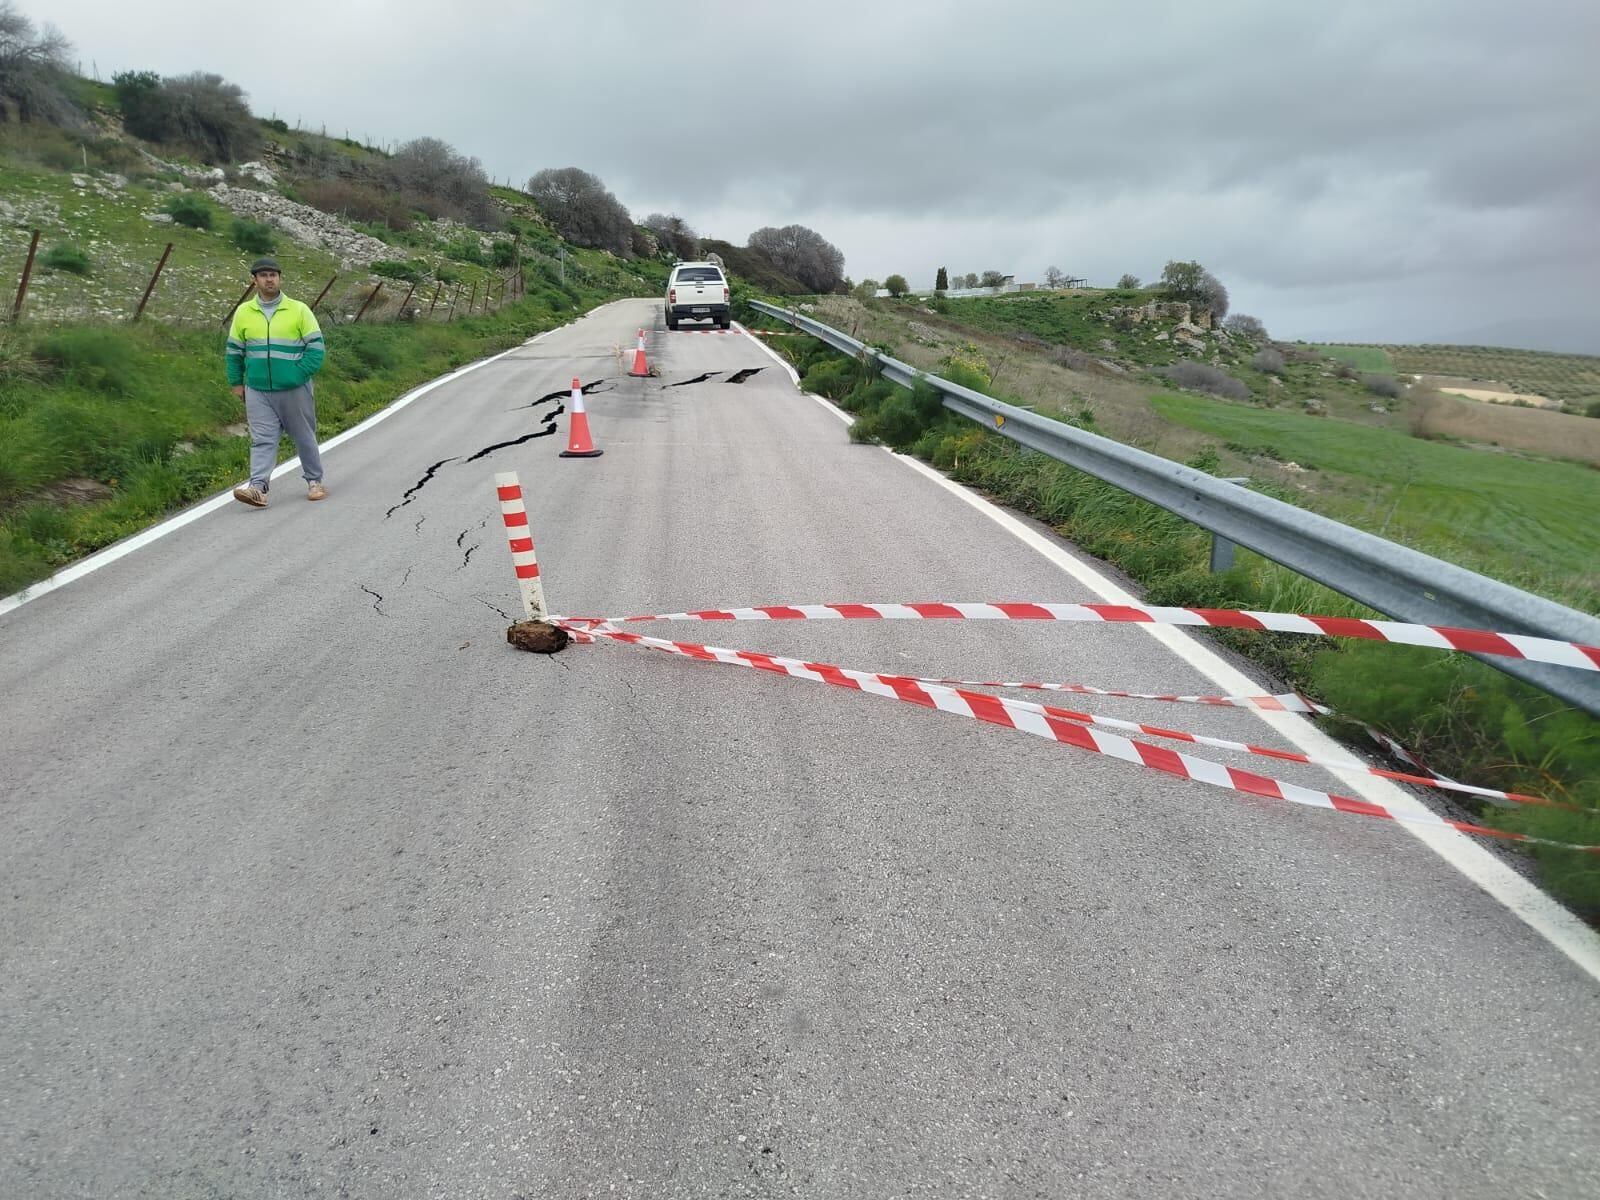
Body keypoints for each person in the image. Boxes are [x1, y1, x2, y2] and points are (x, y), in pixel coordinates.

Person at [226, 257, 328, 507]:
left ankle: (314, 481)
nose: (269, 279)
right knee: (262, 438)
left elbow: (316, 349)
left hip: (294, 388)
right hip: (257, 389)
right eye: (263, 275)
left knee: (304, 435)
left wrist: (297, 374)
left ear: (280, 278)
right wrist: (237, 383)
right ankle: (258, 488)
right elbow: (234, 351)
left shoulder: (299, 309)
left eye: (273, 274)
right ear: (254, 280)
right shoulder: (244, 312)